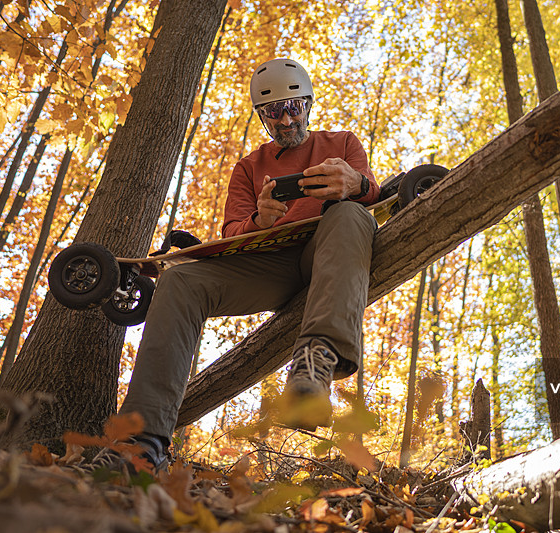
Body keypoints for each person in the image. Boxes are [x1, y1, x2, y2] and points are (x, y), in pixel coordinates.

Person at [117, 58, 380, 469]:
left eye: (293, 107)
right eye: (274, 112)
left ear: (308, 105)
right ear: (262, 117)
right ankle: (141, 444)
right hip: (268, 266)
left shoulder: (342, 143)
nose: (286, 120)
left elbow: (373, 198)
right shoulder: (248, 168)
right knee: (180, 281)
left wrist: (357, 184)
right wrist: (260, 220)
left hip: (332, 250)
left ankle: (315, 364)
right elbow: (232, 233)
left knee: (350, 213)